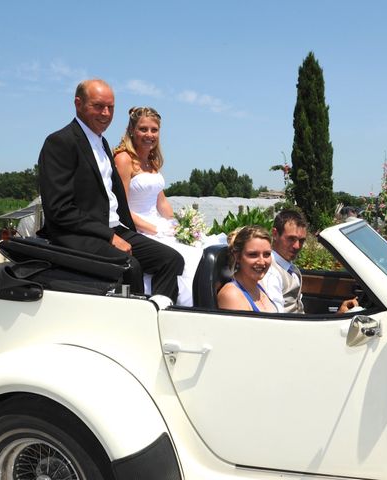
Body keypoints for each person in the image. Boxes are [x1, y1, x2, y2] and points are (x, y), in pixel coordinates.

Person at [37, 79, 184, 303]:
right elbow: (59, 209)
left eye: (110, 107)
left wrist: (130, 232)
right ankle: (132, 325)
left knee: (171, 259)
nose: (106, 113)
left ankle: (159, 315)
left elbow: (117, 200)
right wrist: (108, 236)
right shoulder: (60, 142)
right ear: (78, 104)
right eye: (98, 106)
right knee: (129, 266)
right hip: (78, 234)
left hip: (114, 228)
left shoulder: (102, 144)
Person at [113, 106, 204, 306]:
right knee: (186, 257)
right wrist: (156, 229)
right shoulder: (124, 159)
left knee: (201, 248)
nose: (149, 134)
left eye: (154, 130)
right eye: (143, 129)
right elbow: (122, 209)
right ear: (132, 130)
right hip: (137, 227)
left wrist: (179, 225)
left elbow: (161, 201)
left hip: (157, 223)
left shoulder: (152, 161)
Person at [263, 209, 359, 314]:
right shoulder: (271, 273)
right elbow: (276, 321)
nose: (297, 246)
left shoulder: (290, 268)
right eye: (291, 239)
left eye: (301, 240)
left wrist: (339, 315)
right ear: (275, 234)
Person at [217, 226, 278, 313]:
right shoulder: (232, 294)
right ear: (237, 256)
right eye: (253, 254)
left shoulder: (259, 286)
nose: (261, 262)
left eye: (267, 254)